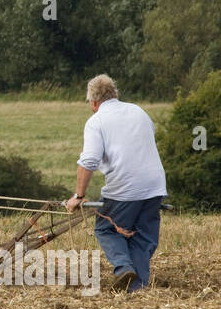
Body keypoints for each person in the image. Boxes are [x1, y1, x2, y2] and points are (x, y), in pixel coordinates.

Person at [64, 74, 167, 292]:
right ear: (115, 95)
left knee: (106, 229)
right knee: (143, 236)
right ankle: (137, 287)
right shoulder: (139, 111)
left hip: (124, 186)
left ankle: (122, 267)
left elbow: (89, 160)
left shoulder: (96, 121)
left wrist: (79, 196)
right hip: (155, 184)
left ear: (93, 102)